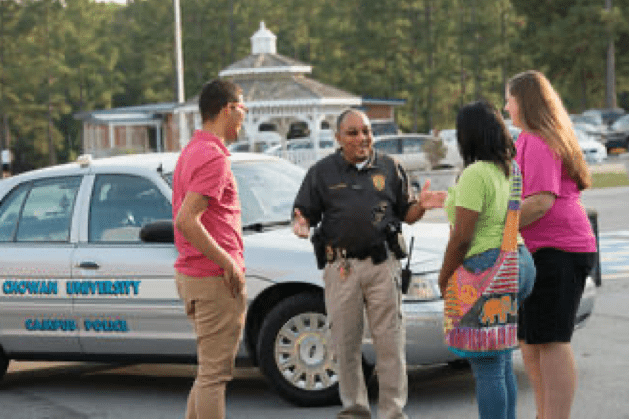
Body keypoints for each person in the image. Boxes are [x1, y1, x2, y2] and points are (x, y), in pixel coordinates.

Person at [292, 109, 446, 419]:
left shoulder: (390, 168)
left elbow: (407, 213)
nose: (362, 138)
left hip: (382, 266)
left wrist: (422, 207)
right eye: (353, 133)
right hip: (341, 267)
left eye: (366, 131)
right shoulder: (322, 172)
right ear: (338, 138)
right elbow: (304, 211)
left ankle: (393, 412)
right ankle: (355, 409)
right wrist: (302, 223)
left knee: (390, 343)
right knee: (344, 343)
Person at [505, 70, 597, 419]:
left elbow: (541, 200)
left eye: (509, 99)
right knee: (531, 342)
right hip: (539, 251)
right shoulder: (532, 139)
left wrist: (499, 226)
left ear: (524, 102)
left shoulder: (539, 139)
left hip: (560, 250)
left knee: (552, 341)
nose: (506, 106)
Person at [437, 100, 536, 419]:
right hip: (517, 261)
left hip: (487, 269)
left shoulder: (475, 173)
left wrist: (445, 276)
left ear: (468, 136)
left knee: (488, 367)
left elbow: (463, 236)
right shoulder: (509, 168)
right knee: (502, 358)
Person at [172, 79, 248, 419]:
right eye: (243, 107)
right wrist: (228, 264)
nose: (244, 116)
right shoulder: (212, 157)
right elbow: (187, 220)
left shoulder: (192, 150)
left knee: (207, 374)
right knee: (215, 377)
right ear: (227, 109)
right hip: (212, 277)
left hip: (195, 274)